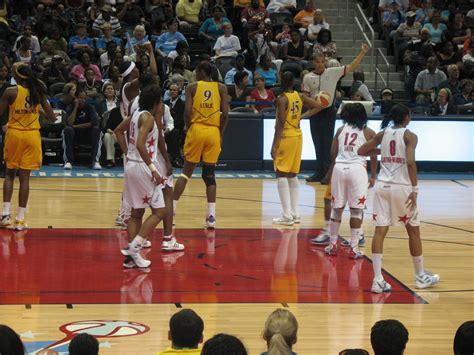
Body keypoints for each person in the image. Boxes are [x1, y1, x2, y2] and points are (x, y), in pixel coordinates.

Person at [358, 104, 440, 293]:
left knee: (380, 231)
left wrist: (383, 153)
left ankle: (377, 280)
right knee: (413, 231)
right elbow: (410, 162)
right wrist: (415, 189)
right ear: (407, 117)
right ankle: (420, 276)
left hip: (382, 186)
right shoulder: (410, 135)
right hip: (401, 187)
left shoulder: (382, 134)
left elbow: (361, 151)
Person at [115, 85, 169, 268]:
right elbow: (140, 143)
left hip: (132, 166)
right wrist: (154, 168)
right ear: (156, 103)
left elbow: (117, 131)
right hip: (143, 168)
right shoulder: (147, 117)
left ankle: (131, 259)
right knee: (160, 211)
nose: (162, 105)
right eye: (161, 102)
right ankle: (134, 247)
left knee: (136, 214)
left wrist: (127, 154)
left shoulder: (136, 114)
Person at [173, 61, 229, 229]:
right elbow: (225, 114)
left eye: (196, 70)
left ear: (203, 71)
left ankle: (172, 211)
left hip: (196, 130)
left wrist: (190, 129)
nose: (195, 74)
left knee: (185, 173)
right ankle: (211, 217)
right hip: (213, 131)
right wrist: (220, 133)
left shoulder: (192, 87)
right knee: (210, 176)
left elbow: (187, 113)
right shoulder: (221, 88)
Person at [0, 63, 55, 230]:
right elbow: (52, 118)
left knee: (10, 174)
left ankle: (5, 215)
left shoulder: (10, 91)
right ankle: (20, 219)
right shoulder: (38, 92)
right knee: (25, 177)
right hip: (32, 136)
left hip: (15, 134)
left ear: (17, 76)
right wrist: (37, 110)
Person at [303, 43, 370, 183]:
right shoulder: (308, 77)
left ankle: (328, 174)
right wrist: (315, 105)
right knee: (317, 143)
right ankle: (319, 172)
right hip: (315, 112)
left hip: (328, 112)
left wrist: (362, 52)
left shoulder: (333, 72)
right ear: (313, 62)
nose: (320, 64)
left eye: (322, 62)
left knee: (327, 144)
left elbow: (351, 67)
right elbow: (305, 98)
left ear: (325, 63)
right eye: (317, 62)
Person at [323, 103, 377, 258]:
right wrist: (373, 175)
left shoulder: (340, 130)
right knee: (356, 210)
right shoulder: (368, 132)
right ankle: (354, 248)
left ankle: (332, 245)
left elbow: (332, 153)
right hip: (357, 169)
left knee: (337, 208)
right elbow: (373, 155)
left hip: (339, 168)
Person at [271, 71, 325, 225]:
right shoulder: (299, 96)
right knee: (292, 175)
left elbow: (280, 124)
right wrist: (302, 117)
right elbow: (319, 106)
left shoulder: (281, 99)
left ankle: (286, 215)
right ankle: (295, 213)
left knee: (281, 174)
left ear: (281, 81)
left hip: (286, 136)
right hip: (298, 135)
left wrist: (274, 145)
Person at [62, 89, 103, 170]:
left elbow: (94, 122)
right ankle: (69, 161)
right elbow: (70, 123)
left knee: (97, 130)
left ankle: (95, 161)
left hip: (87, 134)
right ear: (76, 98)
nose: (83, 100)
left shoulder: (90, 107)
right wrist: (76, 107)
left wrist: (77, 126)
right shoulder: (70, 107)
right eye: (80, 98)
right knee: (67, 130)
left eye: (84, 98)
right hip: (74, 135)